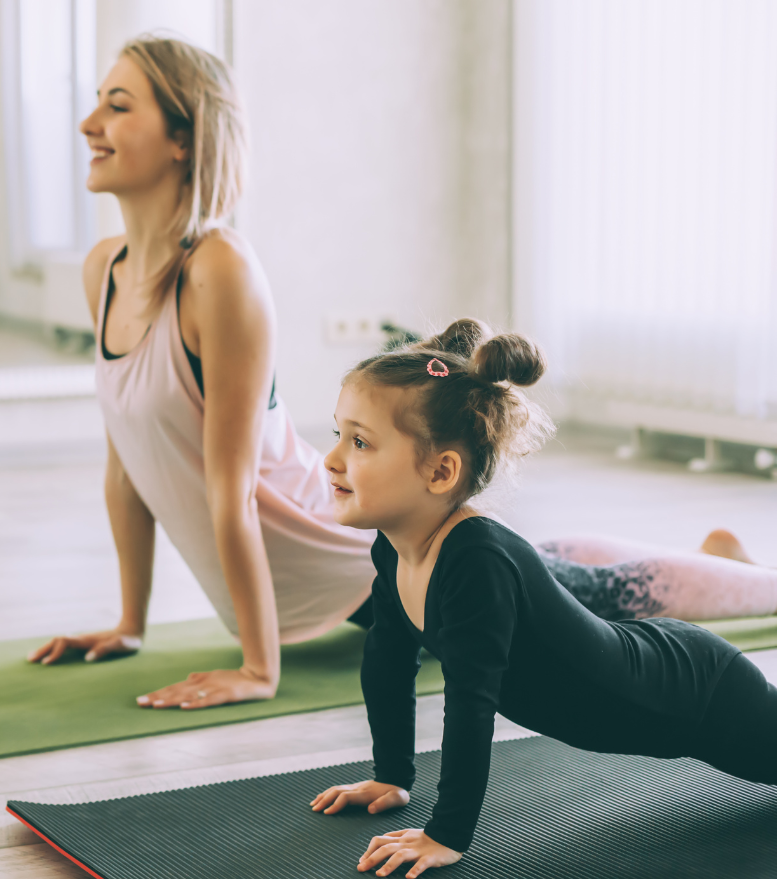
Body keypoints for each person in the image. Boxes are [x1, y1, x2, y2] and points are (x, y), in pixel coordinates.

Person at [26, 35, 777, 711]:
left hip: (349, 548)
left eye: (116, 106)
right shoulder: (106, 271)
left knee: (594, 602)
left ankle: (756, 585)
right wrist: (129, 624)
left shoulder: (218, 270)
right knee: (546, 567)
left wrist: (259, 668)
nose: (89, 123)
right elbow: (129, 466)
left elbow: (230, 486)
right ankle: (714, 557)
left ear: (184, 138)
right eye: (95, 104)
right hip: (302, 565)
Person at [307, 320, 777, 877]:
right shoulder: (394, 550)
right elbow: (387, 661)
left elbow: (470, 703)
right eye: (338, 433)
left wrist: (447, 834)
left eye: (358, 441)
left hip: (693, 694)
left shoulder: (476, 559)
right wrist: (392, 776)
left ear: (440, 471)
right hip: (657, 679)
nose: (332, 458)